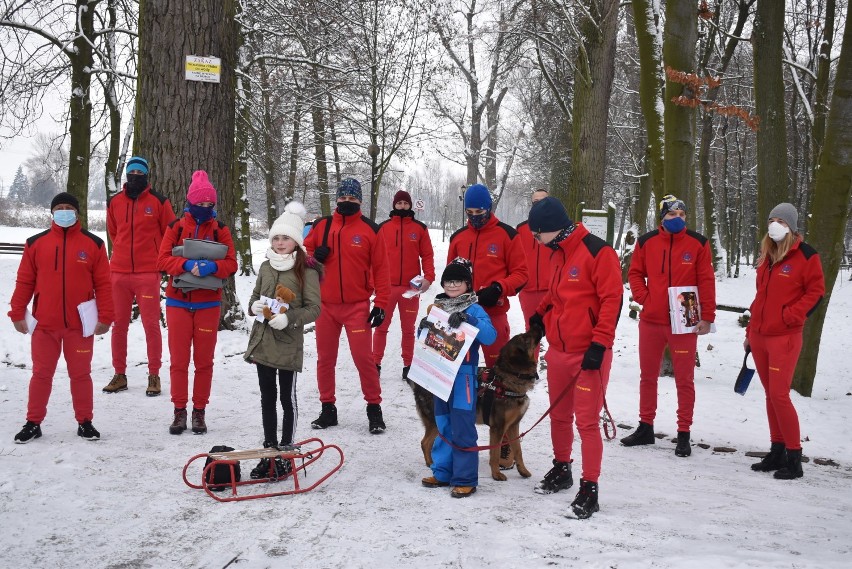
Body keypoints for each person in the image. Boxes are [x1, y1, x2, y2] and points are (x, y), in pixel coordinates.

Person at [527, 196, 622, 519]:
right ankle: (562, 467)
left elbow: (612, 300)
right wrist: (540, 316)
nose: (535, 240)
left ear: (552, 228)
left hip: (588, 354)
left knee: (586, 422)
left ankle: (589, 488)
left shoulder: (599, 252)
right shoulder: (557, 253)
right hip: (559, 351)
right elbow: (555, 294)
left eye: (537, 234)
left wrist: (600, 344)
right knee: (559, 416)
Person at [10, 192, 113, 443]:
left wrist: (106, 316)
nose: (64, 211)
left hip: (80, 325)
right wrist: (16, 312)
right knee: (41, 374)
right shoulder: (35, 243)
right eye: (60, 207)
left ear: (77, 212)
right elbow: (25, 281)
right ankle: (33, 422)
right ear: (52, 213)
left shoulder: (94, 244)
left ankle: (85, 422)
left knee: (80, 375)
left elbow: (104, 284)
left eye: (69, 207)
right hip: (44, 325)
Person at [621, 194, 716, 457]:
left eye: (682, 215)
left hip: (685, 317)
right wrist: (645, 298)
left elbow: (706, 280)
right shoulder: (647, 241)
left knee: (684, 379)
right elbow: (636, 273)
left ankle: (683, 433)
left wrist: (708, 316)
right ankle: (645, 427)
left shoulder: (698, 243)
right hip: (652, 319)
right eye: (672, 215)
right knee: (647, 376)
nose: (677, 219)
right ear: (662, 217)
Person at [304, 178, 392, 434]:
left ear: (360, 201)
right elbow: (302, 254)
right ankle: (327, 408)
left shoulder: (370, 230)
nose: (346, 202)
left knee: (364, 359)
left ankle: (374, 409)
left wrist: (382, 303)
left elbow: (382, 269)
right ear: (337, 199)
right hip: (326, 306)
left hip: (357, 306)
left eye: (352, 199)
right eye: (343, 199)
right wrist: (312, 258)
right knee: (325, 359)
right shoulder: (322, 225)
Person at [745, 203, 824, 480]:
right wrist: (749, 333)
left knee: (780, 395)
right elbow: (759, 298)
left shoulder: (806, 256)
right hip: (760, 336)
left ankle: (794, 456)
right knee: (770, 395)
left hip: (785, 337)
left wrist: (791, 315)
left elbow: (816, 292)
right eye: (772, 219)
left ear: (792, 226)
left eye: (781, 220)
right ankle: (776, 449)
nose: (775, 224)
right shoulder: (767, 255)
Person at [244, 202, 322, 478]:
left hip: (288, 344)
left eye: (285, 238)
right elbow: (255, 297)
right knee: (267, 398)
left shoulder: (306, 270)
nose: (280, 243)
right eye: (276, 237)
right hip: (264, 342)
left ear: (296, 241)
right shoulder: (265, 266)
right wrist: (254, 306)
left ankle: (286, 452)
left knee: (286, 399)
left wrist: (290, 318)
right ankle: (269, 450)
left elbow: (315, 308)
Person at [157, 171, 237, 435]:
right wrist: (185, 264)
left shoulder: (221, 230)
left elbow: (232, 264)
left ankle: (199, 411)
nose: (204, 208)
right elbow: (162, 260)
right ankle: (179, 411)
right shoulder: (175, 227)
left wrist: (212, 266)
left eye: (209, 205)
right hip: (178, 302)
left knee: (204, 362)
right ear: (190, 202)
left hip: (208, 304)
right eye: (200, 203)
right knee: (179, 361)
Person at [420, 257, 497, 498]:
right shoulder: (438, 307)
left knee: (463, 425)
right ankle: (442, 471)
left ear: (468, 284)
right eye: (448, 281)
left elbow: (490, 336)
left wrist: (469, 320)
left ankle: (465, 478)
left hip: (463, 375)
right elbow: (424, 339)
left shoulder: (474, 308)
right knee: (442, 423)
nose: (452, 286)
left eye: (459, 281)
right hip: (439, 373)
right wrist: (423, 326)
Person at [102, 156, 175, 396]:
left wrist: (158, 260)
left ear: (146, 176)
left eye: (139, 172)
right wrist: (122, 254)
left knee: (151, 325)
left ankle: (154, 375)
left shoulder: (159, 202)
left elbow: (170, 234)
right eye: (131, 171)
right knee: (118, 325)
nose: (134, 175)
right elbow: (114, 233)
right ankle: (119, 374)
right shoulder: (114, 202)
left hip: (147, 273)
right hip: (119, 273)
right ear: (126, 174)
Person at [447, 183, 527, 369]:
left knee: (499, 369)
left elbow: (522, 274)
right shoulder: (458, 237)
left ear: (488, 208)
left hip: (493, 314)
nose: (474, 216)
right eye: (470, 212)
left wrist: (499, 287)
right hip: (462, 314)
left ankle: (495, 397)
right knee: (461, 369)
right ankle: (468, 398)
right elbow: (449, 275)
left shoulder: (507, 235)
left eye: (479, 211)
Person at [373, 190, 435, 380]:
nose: (402, 206)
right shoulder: (382, 228)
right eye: (398, 203)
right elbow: (372, 257)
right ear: (394, 205)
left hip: (411, 288)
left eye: (405, 203)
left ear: (410, 205)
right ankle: (375, 363)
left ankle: (408, 365)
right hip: (387, 288)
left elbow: (427, 255)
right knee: (381, 327)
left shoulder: (419, 228)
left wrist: (429, 277)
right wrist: (372, 281)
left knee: (408, 330)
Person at [515, 188, 552, 330]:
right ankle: (533, 354)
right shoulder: (521, 229)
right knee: (531, 329)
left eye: (543, 201)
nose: (539, 205)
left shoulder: (557, 229)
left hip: (551, 290)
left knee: (554, 329)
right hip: (528, 290)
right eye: (535, 202)